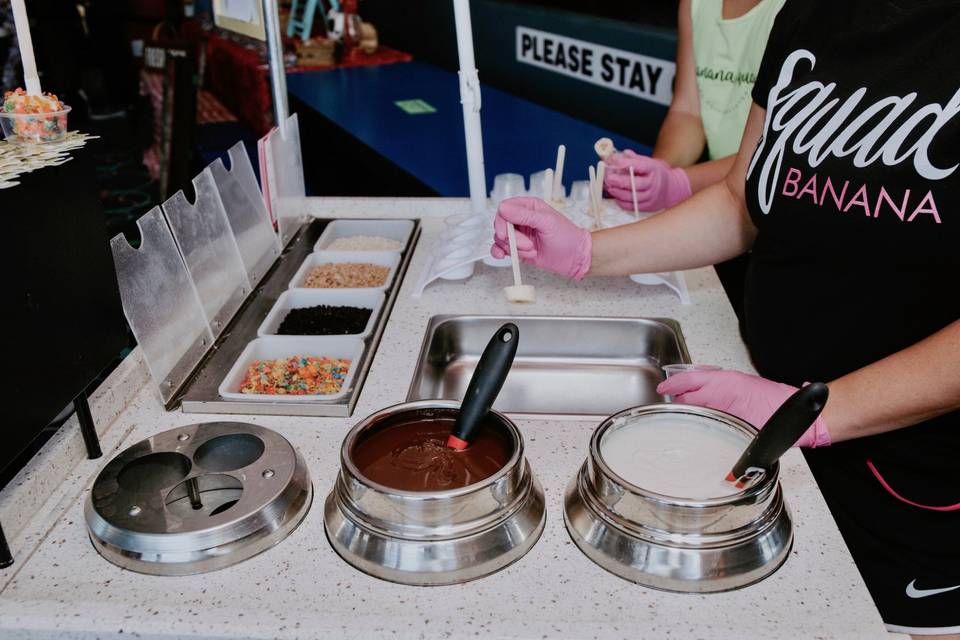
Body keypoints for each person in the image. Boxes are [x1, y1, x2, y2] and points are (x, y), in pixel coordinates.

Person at [491, 1, 960, 636]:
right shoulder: (807, 17)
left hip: (909, 472)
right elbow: (746, 199)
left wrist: (821, 414)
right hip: (767, 419)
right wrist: (588, 252)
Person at [603, 0, 784, 315]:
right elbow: (687, 112)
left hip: (774, 230)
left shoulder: (799, 10)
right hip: (717, 223)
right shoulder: (695, 4)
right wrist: (658, 169)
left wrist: (679, 183)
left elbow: (778, 146)